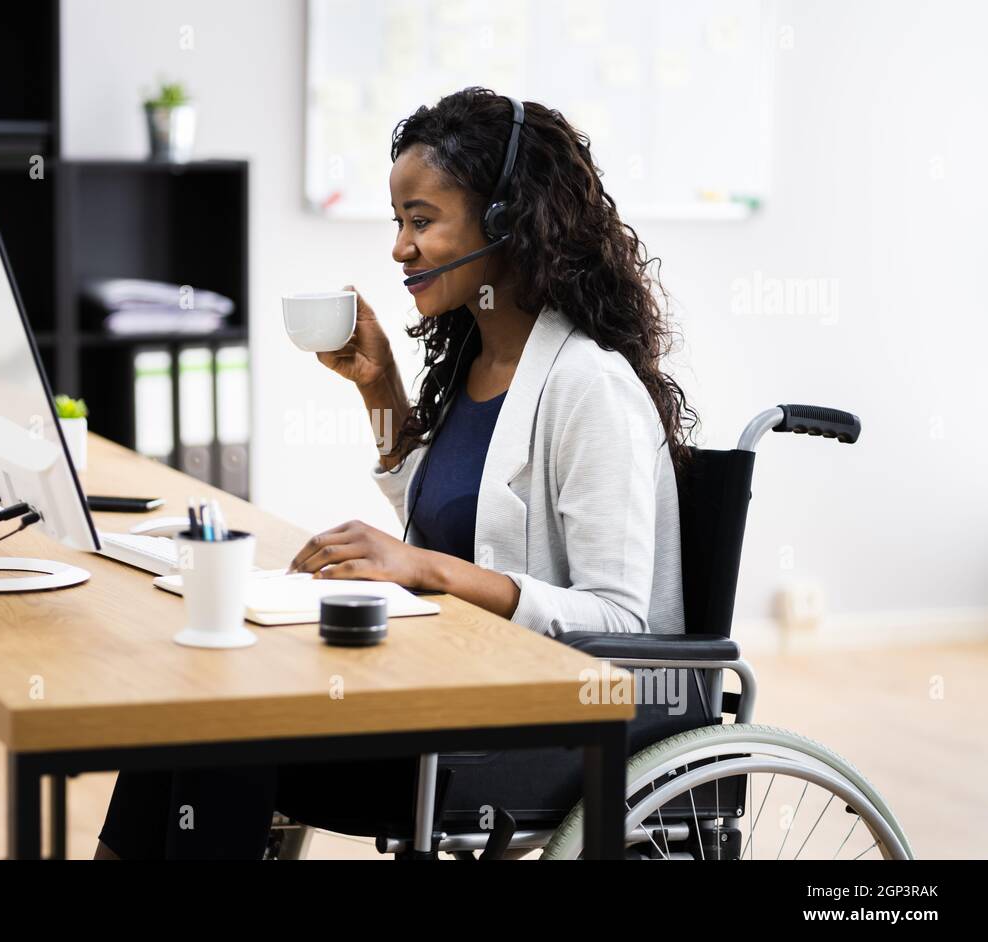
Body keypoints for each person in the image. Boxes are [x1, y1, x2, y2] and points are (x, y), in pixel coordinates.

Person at [96, 87, 697, 860]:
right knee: (184, 714)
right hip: (460, 692)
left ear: (509, 223)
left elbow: (618, 622)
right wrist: (379, 388)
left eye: (421, 221)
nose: (399, 248)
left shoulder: (589, 386)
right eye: (398, 222)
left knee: (225, 735)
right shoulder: (480, 361)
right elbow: (438, 508)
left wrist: (425, 568)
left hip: (549, 732)